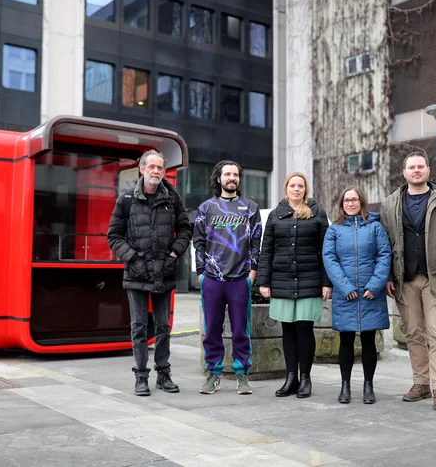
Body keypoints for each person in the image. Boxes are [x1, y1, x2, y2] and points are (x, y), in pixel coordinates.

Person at [380, 151, 436, 411]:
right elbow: (386, 243)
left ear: (428, 170)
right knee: (413, 334)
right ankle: (421, 383)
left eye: (420, 166)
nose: (416, 171)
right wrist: (388, 277)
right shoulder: (390, 203)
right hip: (404, 279)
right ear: (404, 173)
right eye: (411, 167)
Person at [107, 150, 191, 396]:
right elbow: (114, 235)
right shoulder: (126, 199)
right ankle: (141, 377)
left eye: (160, 168)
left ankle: (163, 374)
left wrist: (174, 253)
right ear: (141, 169)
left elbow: (185, 228)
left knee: (164, 326)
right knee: (139, 326)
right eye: (151, 167)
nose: (156, 171)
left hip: (163, 271)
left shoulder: (172, 197)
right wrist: (132, 258)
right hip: (137, 273)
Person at [256, 172, 332, 399]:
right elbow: (266, 248)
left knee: (304, 329)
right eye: (292, 185)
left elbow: (326, 251)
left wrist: (326, 282)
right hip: (282, 280)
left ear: (305, 189)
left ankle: (306, 378)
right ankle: (291, 378)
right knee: (287, 330)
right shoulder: (275, 215)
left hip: (310, 280)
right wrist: (264, 281)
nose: (296, 189)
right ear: (286, 188)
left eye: (300, 186)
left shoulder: (317, 214)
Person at [194, 160, 262, 395]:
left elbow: (256, 244)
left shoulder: (251, 208)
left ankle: (242, 374)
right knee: (212, 328)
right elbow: (198, 242)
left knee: (241, 330)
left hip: (240, 279)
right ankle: (214, 373)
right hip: (212, 279)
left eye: (235, 174)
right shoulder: (206, 208)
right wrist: (201, 273)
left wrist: (252, 274)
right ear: (218, 178)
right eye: (227, 174)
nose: (232, 178)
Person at [323, 187, 391, 404]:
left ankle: (368, 386)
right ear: (341, 204)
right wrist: (345, 287)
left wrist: (375, 284)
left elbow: (384, 255)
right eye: (346, 200)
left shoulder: (375, 227)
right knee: (346, 339)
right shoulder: (334, 229)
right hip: (346, 294)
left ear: (362, 202)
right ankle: (345, 386)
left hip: (371, 292)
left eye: (354, 200)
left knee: (369, 339)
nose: (350, 203)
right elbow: (329, 259)